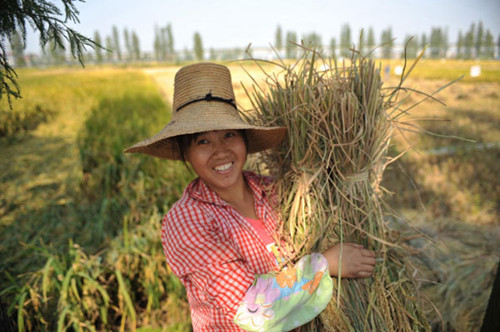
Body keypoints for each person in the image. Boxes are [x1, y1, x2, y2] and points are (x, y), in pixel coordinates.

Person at [125, 62, 377, 331]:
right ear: (186, 153)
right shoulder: (187, 221)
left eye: (229, 135)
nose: (221, 151)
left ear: (244, 139)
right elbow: (250, 311)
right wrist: (325, 264)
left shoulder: (276, 192)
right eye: (203, 141)